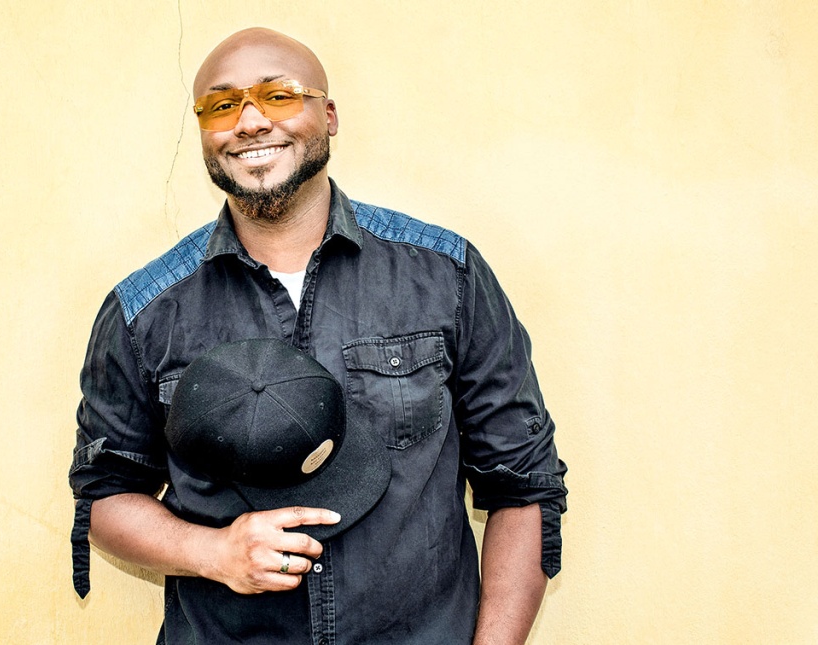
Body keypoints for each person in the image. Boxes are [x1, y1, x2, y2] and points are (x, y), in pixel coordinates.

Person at [69, 27, 568, 645]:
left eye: (278, 95)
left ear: (328, 116)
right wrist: (213, 551)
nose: (249, 122)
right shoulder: (144, 311)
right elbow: (106, 496)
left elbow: (524, 484)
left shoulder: (446, 277)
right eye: (222, 105)